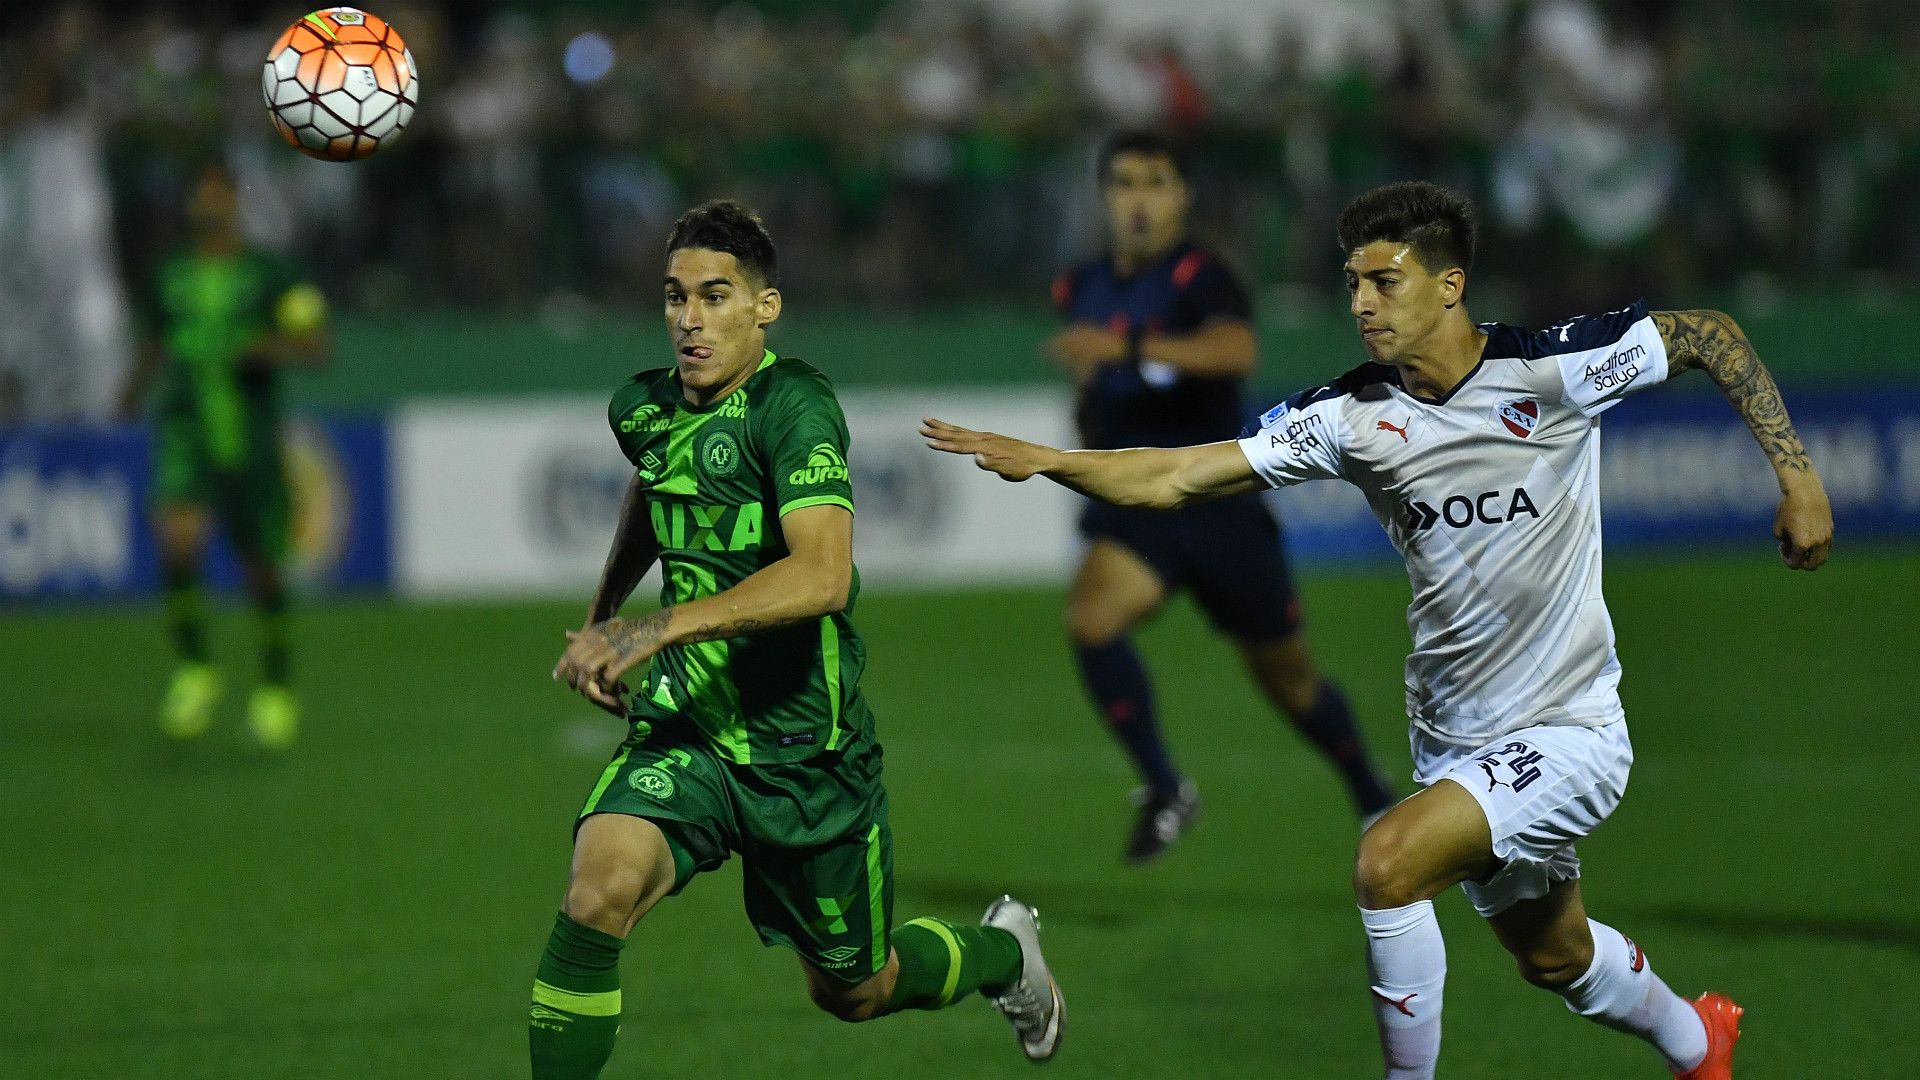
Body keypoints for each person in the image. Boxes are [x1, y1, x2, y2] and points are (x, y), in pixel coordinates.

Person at [925, 180, 1835, 1079]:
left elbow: (1713, 334)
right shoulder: (1354, 415)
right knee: (1554, 957)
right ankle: (1698, 1045)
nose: (1361, 303)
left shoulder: (1553, 372)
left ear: (1450, 285)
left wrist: (1797, 478)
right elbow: (1180, 476)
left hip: (1570, 733)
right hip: (1456, 741)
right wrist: (1051, 463)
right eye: (1353, 283)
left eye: (1384, 282)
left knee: (1385, 865)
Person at [536, 201, 1063, 1079]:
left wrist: (652, 626)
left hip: (804, 755)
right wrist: (603, 617)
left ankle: (1006, 955)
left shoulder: (796, 408)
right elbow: (652, 492)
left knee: (855, 989)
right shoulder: (643, 407)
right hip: (690, 730)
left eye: (713, 296)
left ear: (764, 307)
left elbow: (822, 576)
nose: (689, 320)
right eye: (674, 298)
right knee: (597, 895)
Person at [1049, 130, 1397, 862]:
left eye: (1154, 182)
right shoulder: (1081, 285)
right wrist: (1093, 402)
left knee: (1291, 683)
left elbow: (1237, 352)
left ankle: (1373, 797)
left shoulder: (1204, 276)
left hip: (1218, 500)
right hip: (1140, 501)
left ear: (1181, 195)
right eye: (1124, 184)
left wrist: (1130, 351)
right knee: (1092, 618)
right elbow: (1093, 373)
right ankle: (1165, 786)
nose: (1138, 200)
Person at [117, 162, 329, 749]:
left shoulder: (271, 274)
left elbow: (316, 345)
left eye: (219, 192)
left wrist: (270, 348)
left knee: (260, 565)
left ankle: (276, 683)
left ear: (236, 201)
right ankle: (196, 668)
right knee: (176, 544)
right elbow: (157, 340)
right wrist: (130, 391)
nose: (208, 203)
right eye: (200, 192)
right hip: (185, 428)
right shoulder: (171, 274)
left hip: (249, 438)